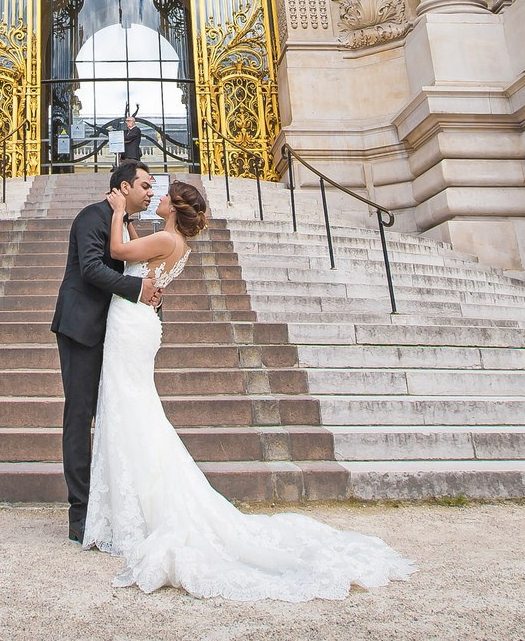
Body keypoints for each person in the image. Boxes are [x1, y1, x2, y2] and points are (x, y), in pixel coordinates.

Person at [82, 176, 415, 599]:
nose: (159, 196)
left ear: (175, 207)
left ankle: (134, 510)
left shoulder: (163, 241)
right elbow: (136, 257)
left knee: (131, 407)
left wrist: (114, 212)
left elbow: (117, 252)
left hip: (131, 326)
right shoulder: (170, 241)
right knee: (135, 408)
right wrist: (128, 223)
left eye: (165, 194)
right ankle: (133, 505)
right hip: (140, 324)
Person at [52, 159, 161, 546]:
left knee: (117, 416)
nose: (152, 192)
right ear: (125, 187)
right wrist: (137, 291)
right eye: (146, 185)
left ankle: (113, 504)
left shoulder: (128, 225)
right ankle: (79, 513)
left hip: (115, 335)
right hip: (81, 330)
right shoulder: (91, 217)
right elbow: (92, 269)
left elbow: (131, 267)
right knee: (80, 417)